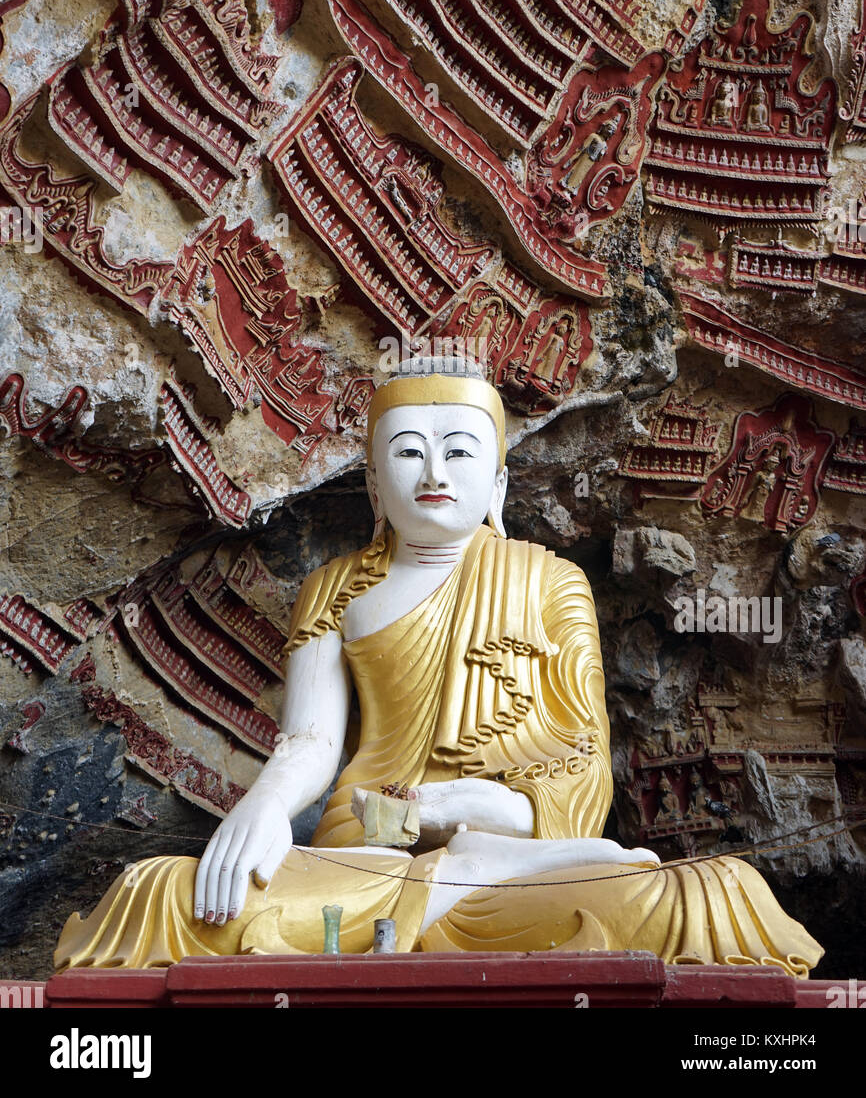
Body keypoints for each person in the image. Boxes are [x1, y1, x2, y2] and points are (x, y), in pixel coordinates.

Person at [55, 359, 822, 971]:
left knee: (708, 897)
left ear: (497, 483)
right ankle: (461, 876)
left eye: (458, 452)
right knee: (155, 894)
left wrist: (482, 808)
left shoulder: (551, 581)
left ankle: (483, 866)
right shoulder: (336, 588)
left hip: (518, 853)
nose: (434, 472)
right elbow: (313, 744)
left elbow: (583, 763)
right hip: (364, 858)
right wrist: (262, 808)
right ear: (373, 486)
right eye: (409, 452)